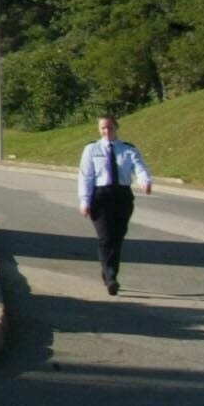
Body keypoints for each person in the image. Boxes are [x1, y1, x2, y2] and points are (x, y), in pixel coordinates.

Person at [77, 115, 152, 294]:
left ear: (116, 128)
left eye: (110, 127)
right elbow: (85, 175)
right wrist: (84, 200)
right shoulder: (91, 149)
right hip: (100, 196)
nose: (107, 131)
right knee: (105, 237)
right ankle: (111, 277)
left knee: (117, 238)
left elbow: (140, 168)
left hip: (122, 196)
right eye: (103, 128)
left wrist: (145, 181)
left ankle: (110, 273)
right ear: (99, 130)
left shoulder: (128, 149)